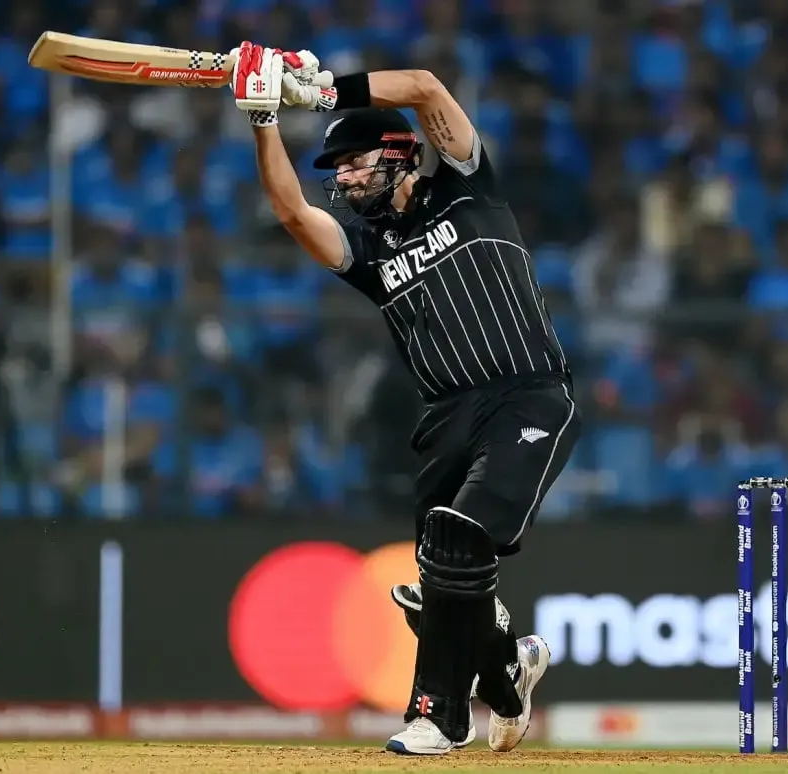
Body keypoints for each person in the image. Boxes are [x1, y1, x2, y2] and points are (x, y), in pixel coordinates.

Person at [230, 42, 582, 756]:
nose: (348, 177)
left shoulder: (466, 185)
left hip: (529, 395)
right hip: (446, 419)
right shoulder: (369, 250)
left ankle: (440, 716)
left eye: (358, 161)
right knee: (446, 584)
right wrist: (265, 119)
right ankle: (509, 669)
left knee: (456, 543)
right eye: (340, 169)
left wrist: (322, 91)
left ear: (401, 154)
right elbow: (294, 212)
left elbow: (422, 86)